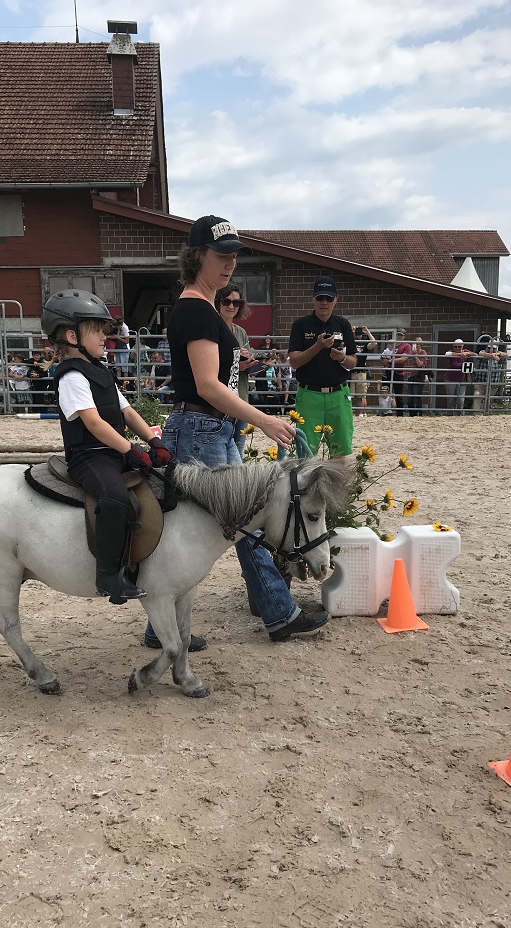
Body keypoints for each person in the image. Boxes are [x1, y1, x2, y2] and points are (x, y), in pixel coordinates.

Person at [153, 214, 327, 646]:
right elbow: (208, 386)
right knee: (242, 522)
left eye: (234, 256)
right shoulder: (196, 311)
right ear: (197, 256)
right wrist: (263, 420)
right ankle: (279, 614)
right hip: (201, 427)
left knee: (226, 523)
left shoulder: (203, 309)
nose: (230, 263)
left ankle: (163, 627)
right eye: (221, 255)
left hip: (210, 428)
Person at [41, 289, 172, 603]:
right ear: (72, 336)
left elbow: (127, 412)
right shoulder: (71, 376)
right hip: (89, 457)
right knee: (115, 498)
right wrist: (130, 450)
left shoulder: (101, 371)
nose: (105, 336)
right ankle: (108, 576)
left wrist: (154, 441)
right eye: (97, 331)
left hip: (113, 451)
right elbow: (94, 423)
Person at [288, 276, 356, 455]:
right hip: (309, 395)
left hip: (338, 395)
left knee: (341, 451)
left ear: (336, 300)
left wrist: (342, 358)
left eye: (329, 298)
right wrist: (317, 346)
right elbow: (294, 361)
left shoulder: (343, 324)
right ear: (313, 299)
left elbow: (353, 362)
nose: (324, 302)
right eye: (320, 298)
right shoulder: (301, 325)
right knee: (306, 453)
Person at [215, 284, 259, 455]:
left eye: (236, 302)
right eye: (226, 301)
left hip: (241, 397)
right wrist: (235, 365)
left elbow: (246, 359)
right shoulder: (213, 329)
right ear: (218, 303)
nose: (231, 306)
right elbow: (207, 365)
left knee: (238, 450)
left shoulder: (241, 332)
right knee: (220, 450)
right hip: (220, 400)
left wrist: (250, 361)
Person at [472, 335, 506, 413]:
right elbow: (480, 353)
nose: (491, 350)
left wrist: (498, 354)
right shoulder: (483, 352)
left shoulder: (499, 355)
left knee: (489, 399)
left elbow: (506, 354)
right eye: (489, 348)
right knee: (477, 396)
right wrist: (492, 356)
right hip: (481, 381)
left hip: (493, 382)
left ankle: (486, 413)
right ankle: (475, 413)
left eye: (493, 348)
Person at [350, 325, 376, 416]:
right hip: (350, 372)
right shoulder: (350, 342)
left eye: (360, 333)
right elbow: (343, 343)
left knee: (360, 396)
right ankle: (349, 414)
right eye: (356, 333)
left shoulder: (364, 344)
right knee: (349, 396)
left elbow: (374, 343)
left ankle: (359, 414)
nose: (358, 335)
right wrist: (350, 332)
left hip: (361, 373)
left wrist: (367, 332)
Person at [443, 340, 474, 415]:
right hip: (450, 379)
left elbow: (475, 354)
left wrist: (468, 354)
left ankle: (460, 415)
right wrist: (460, 354)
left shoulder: (465, 351)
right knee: (450, 399)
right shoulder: (451, 352)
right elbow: (446, 354)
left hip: (462, 379)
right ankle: (450, 415)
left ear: (462, 346)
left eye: (459, 347)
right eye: (455, 347)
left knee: (460, 400)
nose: (457, 348)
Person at [389, 329, 412, 416]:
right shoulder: (393, 344)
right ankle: (386, 411)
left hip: (398, 372)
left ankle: (400, 414)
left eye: (401, 335)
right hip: (388, 371)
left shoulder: (406, 346)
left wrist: (391, 361)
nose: (399, 337)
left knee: (398, 394)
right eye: (398, 335)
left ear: (404, 336)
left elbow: (403, 359)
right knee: (385, 392)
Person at [406, 338, 429, 416]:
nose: (416, 346)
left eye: (418, 344)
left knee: (417, 396)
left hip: (419, 376)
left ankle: (419, 413)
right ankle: (411, 413)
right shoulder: (413, 352)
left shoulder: (423, 353)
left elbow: (420, 365)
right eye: (415, 344)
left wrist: (415, 355)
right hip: (412, 375)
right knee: (410, 397)